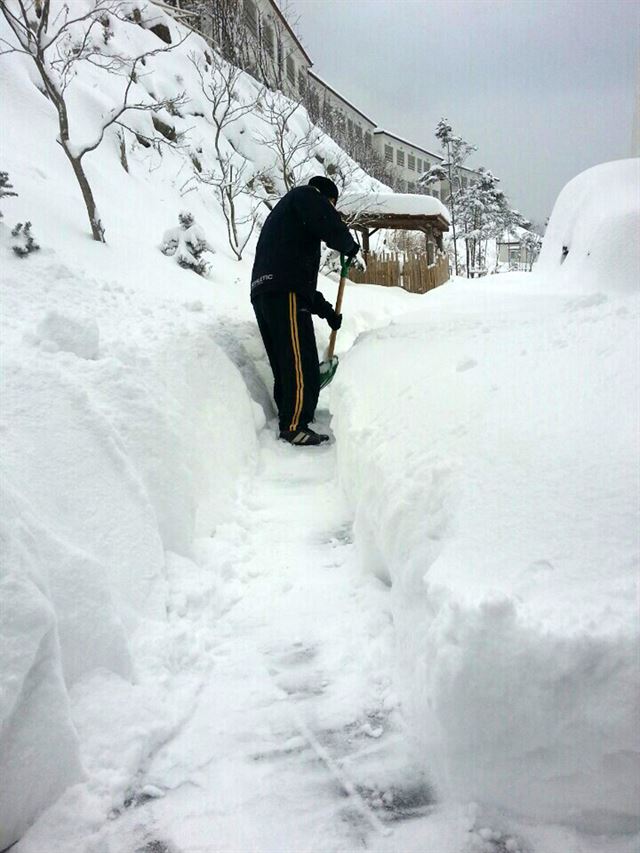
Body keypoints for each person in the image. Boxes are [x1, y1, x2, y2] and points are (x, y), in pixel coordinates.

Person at [251, 176, 359, 446]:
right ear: (326, 198)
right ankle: (295, 425)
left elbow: (300, 284)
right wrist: (347, 243)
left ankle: (288, 416)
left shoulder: (286, 220)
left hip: (265, 292)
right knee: (301, 363)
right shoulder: (306, 196)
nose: (331, 211)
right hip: (283, 291)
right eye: (332, 205)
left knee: (286, 362)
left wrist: (327, 313)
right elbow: (327, 221)